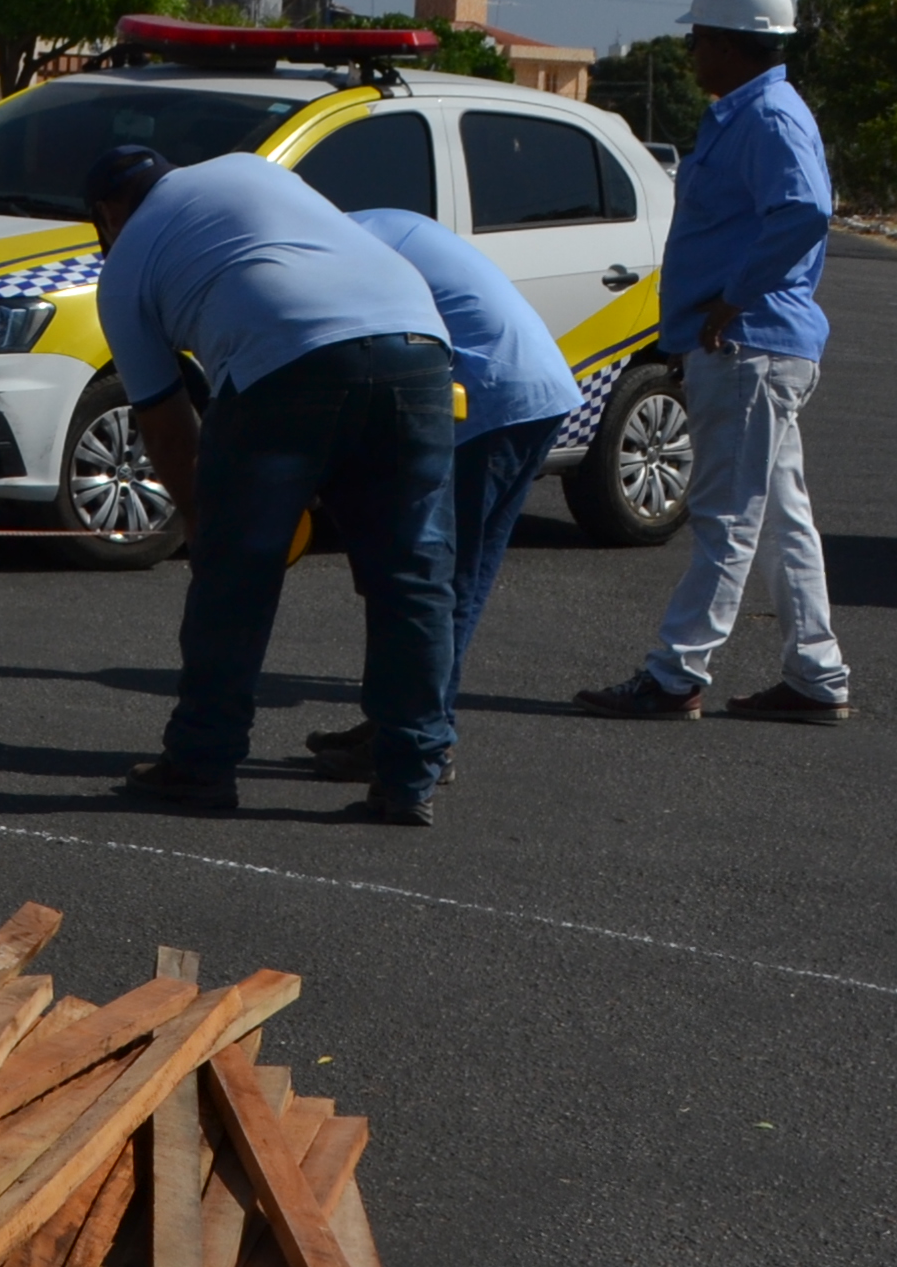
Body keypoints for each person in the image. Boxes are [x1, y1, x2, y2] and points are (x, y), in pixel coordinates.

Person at [81, 144, 460, 824]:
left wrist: (204, 527)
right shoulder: (249, 170)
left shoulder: (126, 263)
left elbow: (169, 427)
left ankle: (201, 764)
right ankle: (410, 776)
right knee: (412, 575)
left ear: (108, 214)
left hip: (282, 361)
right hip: (416, 340)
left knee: (237, 581)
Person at [578, 0, 851, 724]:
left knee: (726, 515)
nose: (692, 53)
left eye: (698, 39)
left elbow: (803, 211)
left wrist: (732, 298)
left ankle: (675, 673)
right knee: (779, 519)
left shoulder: (767, 117)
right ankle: (815, 675)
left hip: (748, 348)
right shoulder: (749, 110)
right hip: (756, 346)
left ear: (734, 44)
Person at [299, 206, 576, 785]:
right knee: (455, 578)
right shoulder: (372, 226)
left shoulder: (340, 254)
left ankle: (419, 743)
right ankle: (404, 727)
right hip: (535, 391)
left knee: (433, 580)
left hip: (489, 402)